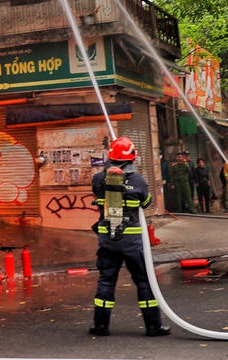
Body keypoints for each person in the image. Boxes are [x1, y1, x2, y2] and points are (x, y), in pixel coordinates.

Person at [88, 136, 170, 337]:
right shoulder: (138, 180)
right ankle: (153, 326)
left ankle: (100, 326)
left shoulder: (99, 179)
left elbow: (97, 195)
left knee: (106, 279)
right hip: (132, 240)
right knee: (144, 281)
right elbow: (147, 202)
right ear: (131, 157)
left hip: (108, 238)